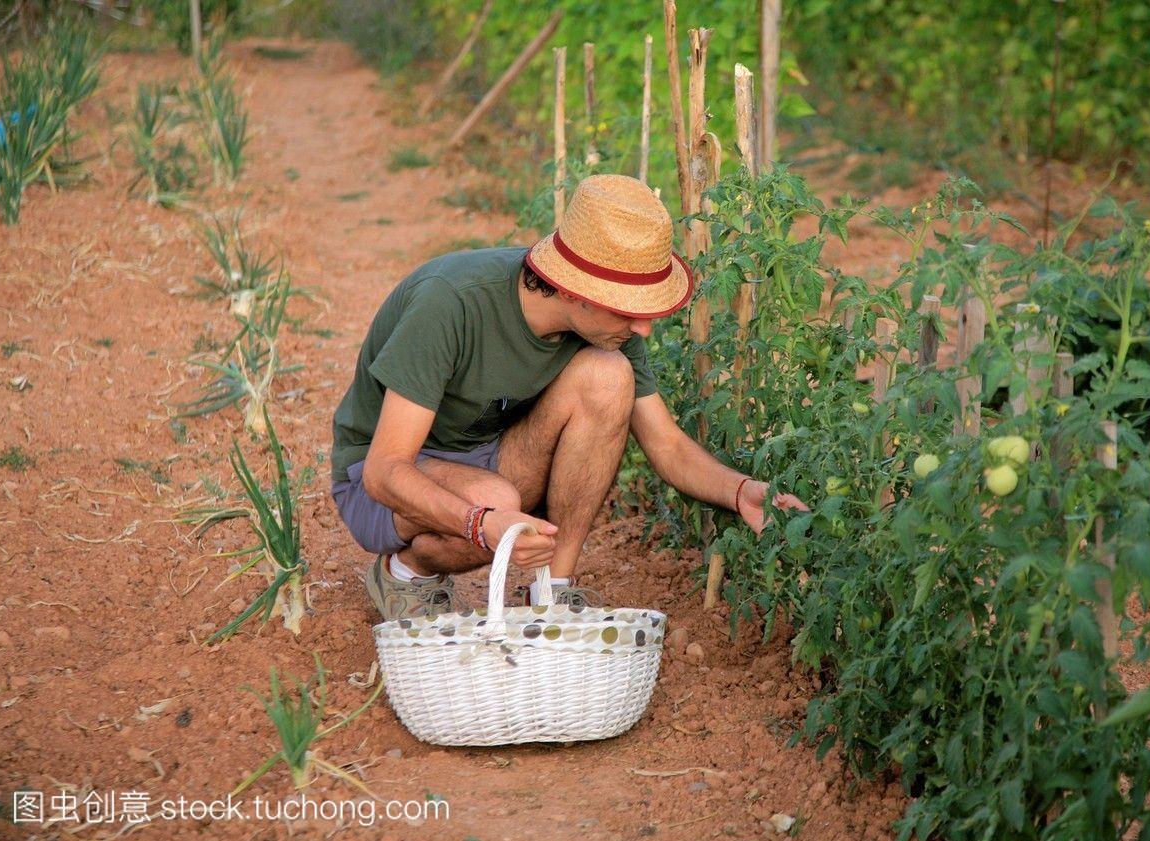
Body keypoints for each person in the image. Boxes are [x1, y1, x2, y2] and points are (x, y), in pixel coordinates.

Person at [330, 173, 808, 621]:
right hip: (384, 476)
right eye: (629, 311)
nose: (643, 326)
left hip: (488, 461)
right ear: (574, 289)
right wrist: (482, 524)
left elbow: (667, 445)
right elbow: (385, 470)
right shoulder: (450, 302)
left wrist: (741, 491)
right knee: (494, 498)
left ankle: (552, 592)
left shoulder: (608, 332)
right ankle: (406, 573)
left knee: (608, 376)